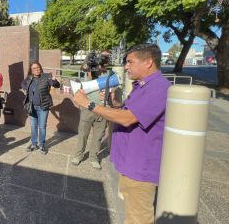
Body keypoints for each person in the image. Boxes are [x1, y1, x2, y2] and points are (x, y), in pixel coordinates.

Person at [72, 44, 171, 224]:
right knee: (131, 214)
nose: (126, 66)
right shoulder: (143, 86)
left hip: (140, 168)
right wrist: (116, 103)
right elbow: (130, 112)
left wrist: (89, 104)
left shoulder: (158, 88)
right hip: (130, 164)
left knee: (138, 218)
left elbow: (127, 119)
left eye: (130, 62)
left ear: (148, 62)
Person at [71, 56, 110, 170]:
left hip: (102, 110)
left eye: (97, 65)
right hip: (87, 109)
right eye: (93, 65)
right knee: (83, 134)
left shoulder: (107, 76)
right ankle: (78, 155)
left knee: (98, 136)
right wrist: (87, 66)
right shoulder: (87, 74)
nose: (95, 68)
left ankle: (93, 157)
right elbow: (83, 68)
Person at [21, 61, 60, 154]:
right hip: (32, 106)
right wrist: (26, 88)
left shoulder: (46, 76)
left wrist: (54, 80)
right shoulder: (29, 78)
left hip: (43, 107)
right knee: (33, 126)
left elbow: (57, 85)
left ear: (40, 68)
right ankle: (34, 144)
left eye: (38, 67)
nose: (37, 69)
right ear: (31, 70)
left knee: (42, 126)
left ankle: (42, 145)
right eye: (34, 68)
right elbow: (22, 84)